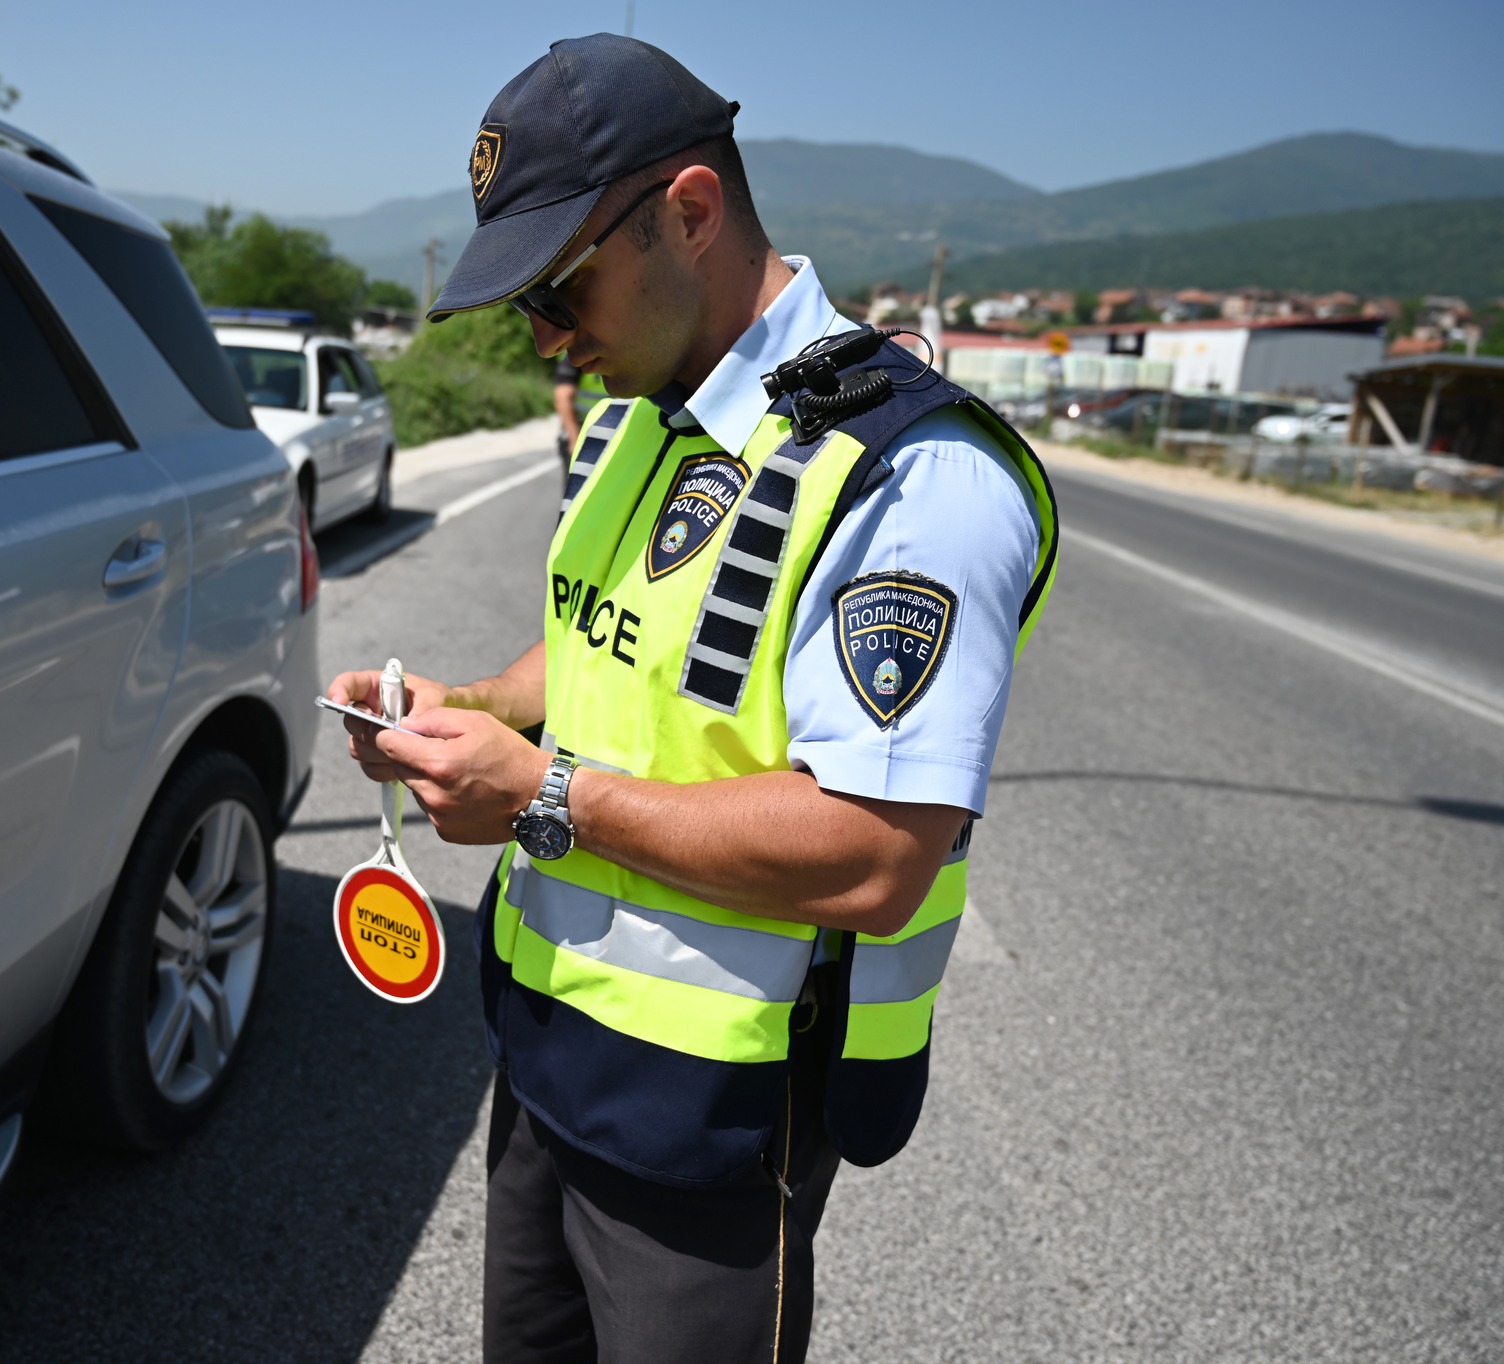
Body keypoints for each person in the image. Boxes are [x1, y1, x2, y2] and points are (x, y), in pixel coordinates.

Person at [327, 33, 1058, 1364]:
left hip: (716, 1115)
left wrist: (538, 794)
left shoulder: (913, 476)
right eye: (523, 310)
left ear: (691, 213)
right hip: (546, 1050)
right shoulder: (646, 410)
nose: (547, 339)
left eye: (560, 291)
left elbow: (873, 855)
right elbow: (608, 651)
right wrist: (480, 708)